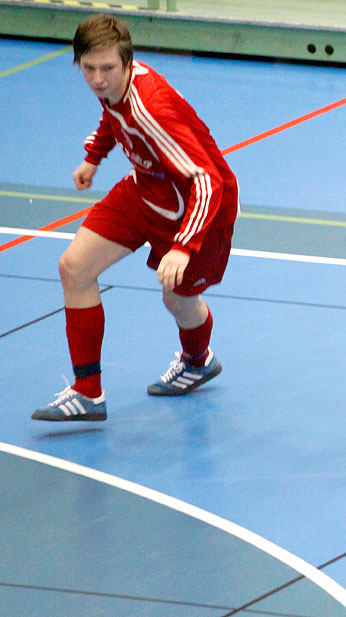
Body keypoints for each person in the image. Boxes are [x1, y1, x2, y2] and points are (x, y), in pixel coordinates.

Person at [32, 14, 239, 421]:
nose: (97, 79)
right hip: (147, 188)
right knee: (74, 268)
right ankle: (87, 392)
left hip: (198, 209)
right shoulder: (109, 86)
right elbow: (113, 115)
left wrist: (183, 247)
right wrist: (93, 157)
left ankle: (198, 360)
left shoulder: (153, 108)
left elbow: (207, 181)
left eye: (107, 68)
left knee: (177, 298)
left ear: (127, 62)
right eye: (88, 69)